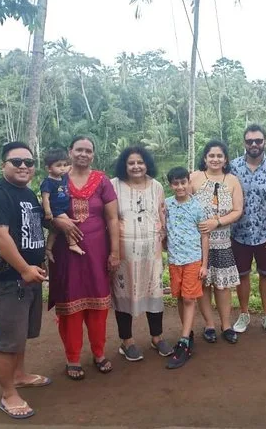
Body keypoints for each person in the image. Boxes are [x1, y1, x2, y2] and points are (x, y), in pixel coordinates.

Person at [0, 141, 50, 419]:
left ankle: (19, 375)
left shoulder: (28, 194)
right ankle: (8, 394)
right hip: (7, 280)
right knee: (8, 340)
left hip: (29, 277)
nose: (23, 166)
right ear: (3, 165)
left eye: (28, 162)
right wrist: (23, 269)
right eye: (16, 161)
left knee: (20, 334)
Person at [48, 136, 120, 380]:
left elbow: (112, 218)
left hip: (97, 252)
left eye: (88, 151)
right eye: (79, 149)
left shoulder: (102, 181)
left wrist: (115, 252)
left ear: (93, 155)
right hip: (65, 253)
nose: (83, 154)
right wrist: (58, 221)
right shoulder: (57, 179)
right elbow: (46, 212)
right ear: (70, 151)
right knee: (70, 306)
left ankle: (99, 353)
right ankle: (73, 358)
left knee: (98, 304)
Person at [111, 146, 173, 361]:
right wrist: (112, 251)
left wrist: (166, 239)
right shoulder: (113, 185)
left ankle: (157, 337)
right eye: (131, 163)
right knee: (123, 294)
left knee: (154, 292)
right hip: (124, 252)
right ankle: (127, 341)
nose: (136, 166)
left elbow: (162, 215)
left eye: (140, 162)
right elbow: (109, 218)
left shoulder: (156, 186)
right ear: (124, 165)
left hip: (151, 251)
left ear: (147, 164)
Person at [230, 124, 266, 336]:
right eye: (250, 141)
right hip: (238, 233)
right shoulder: (233, 167)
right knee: (242, 275)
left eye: (258, 140)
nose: (254, 144)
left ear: (265, 142)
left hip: (264, 234)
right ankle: (244, 314)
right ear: (244, 143)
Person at [191, 140, 243, 344]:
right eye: (211, 155)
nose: (215, 159)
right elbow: (183, 203)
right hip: (197, 242)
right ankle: (209, 324)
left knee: (223, 286)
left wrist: (217, 222)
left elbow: (238, 210)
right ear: (205, 158)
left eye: (219, 156)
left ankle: (226, 325)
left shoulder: (232, 180)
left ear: (225, 159)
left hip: (222, 241)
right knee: (203, 284)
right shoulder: (194, 178)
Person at [164, 166, 210, 369]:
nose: (180, 187)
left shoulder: (197, 206)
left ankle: (183, 342)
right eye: (176, 183)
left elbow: (204, 236)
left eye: (183, 182)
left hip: (193, 259)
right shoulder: (167, 205)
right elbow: (163, 228)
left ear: (189, 183)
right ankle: (187, 333)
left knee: (190, 298)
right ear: (170, 185)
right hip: (174, 260)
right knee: (181, 297)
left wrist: (204, 264)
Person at [40, 148, 84, 263]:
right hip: (56, 209)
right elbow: (45, 198)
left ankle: (48, 249)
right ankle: (72, 244)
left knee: (54, 231)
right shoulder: (48, 182)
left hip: (63, 208)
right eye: (58, 165)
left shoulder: (63, 177)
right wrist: (48, 212)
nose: (62, 168)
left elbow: (71, 167)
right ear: (49, 168)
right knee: (68, 225)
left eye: (64, 165)